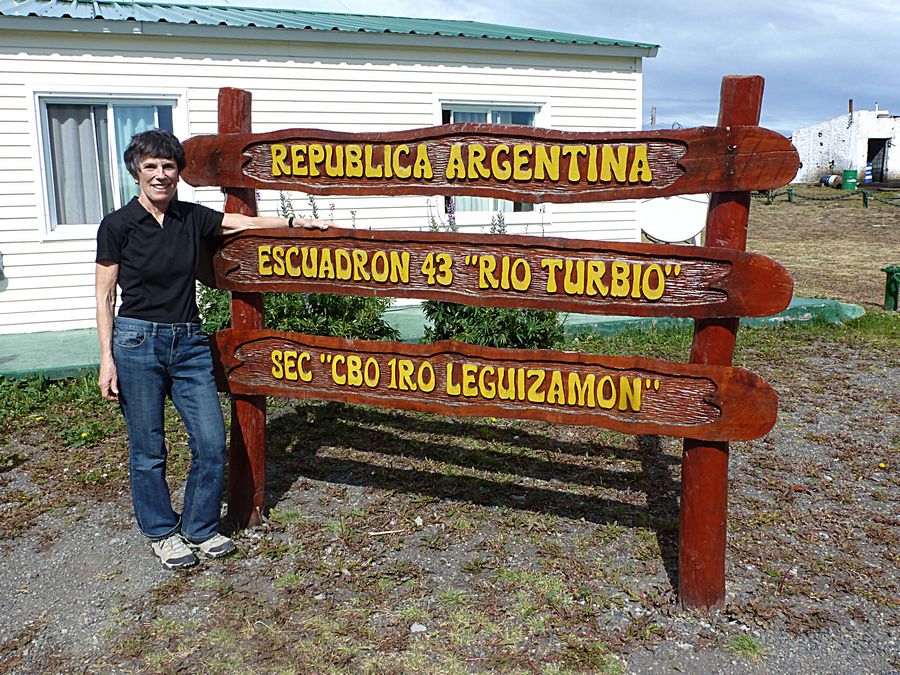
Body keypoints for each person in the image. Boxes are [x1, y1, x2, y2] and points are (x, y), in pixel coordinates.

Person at [95, 129, 327, 570]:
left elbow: (241, 223)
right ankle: (162, 532)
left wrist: (295, 224)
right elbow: (104, 295)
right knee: (148, 448)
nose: (161, 174)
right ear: (137, 172)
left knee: (210, 439)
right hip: (135, 341)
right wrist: (107, 359)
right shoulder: (118, 225)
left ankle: (199, 528)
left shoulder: (190, 217)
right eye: (151, 167)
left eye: (168, 166)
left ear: (178, 172)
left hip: (188, 343)